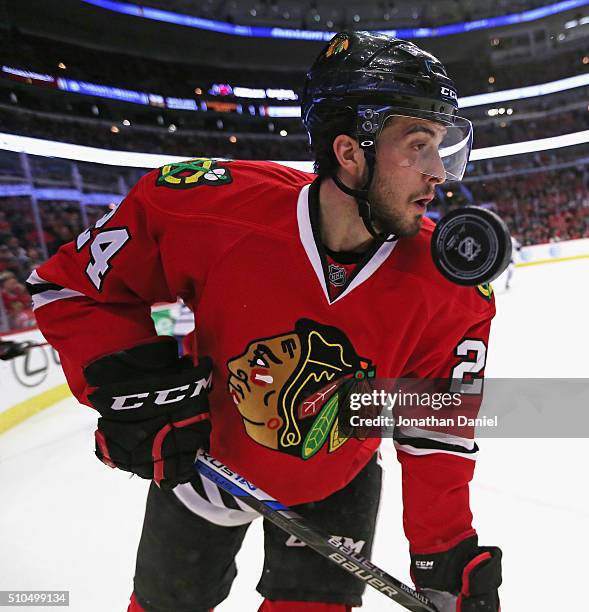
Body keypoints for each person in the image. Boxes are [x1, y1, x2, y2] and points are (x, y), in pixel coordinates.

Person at [28, 31, 501, 612]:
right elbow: (69, 287)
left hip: (338, 481)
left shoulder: (448, 285)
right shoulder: (201, 209)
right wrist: (127, 384)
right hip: (205, 470)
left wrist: (444, 553)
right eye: (420, 145)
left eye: (444, 146)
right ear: (351, 152)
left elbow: (436, 427)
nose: (440, 172)